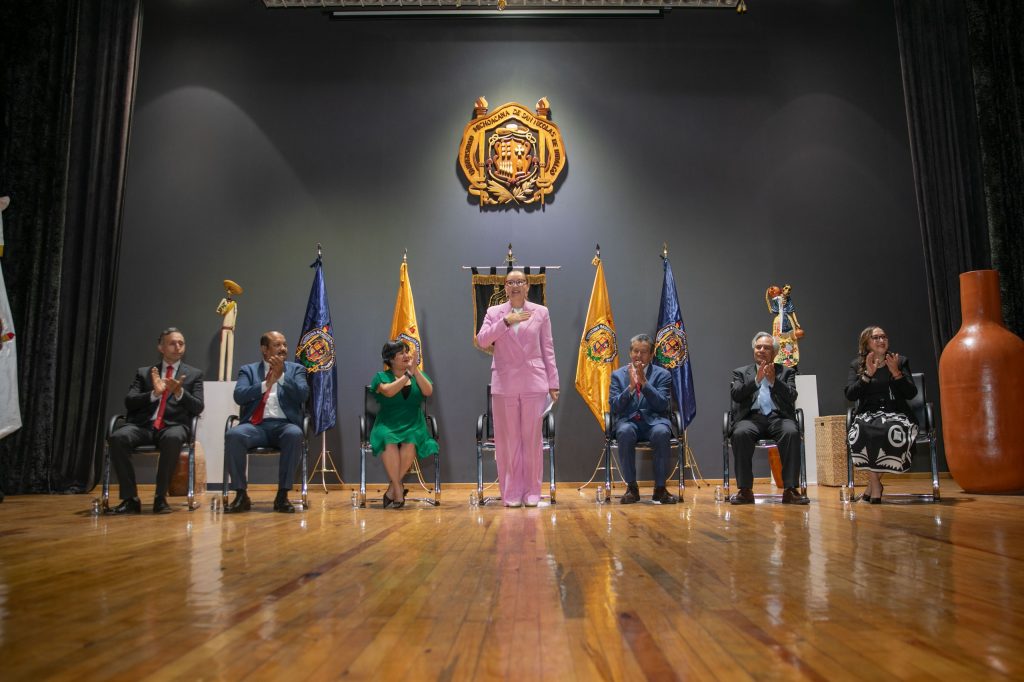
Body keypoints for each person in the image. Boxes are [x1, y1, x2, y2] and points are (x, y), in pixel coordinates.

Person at [477, 270, 559, 508]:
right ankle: (511, 492)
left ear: (527, 286)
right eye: (511, 282)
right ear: (505, 286)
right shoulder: (494, 312)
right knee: (508, 440)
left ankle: (533, 491)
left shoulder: (541, 312)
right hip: (504, 384)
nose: (515, 286)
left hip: (534, 381)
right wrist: (506, 322)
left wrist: (553, 382)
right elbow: (482, 340)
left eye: (520, 281)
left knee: (532, 440)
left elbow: (548, 348)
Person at [108, 327, 205, 514]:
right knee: (117, 438)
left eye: (181, 343)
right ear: (161, 347)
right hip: (143, 426)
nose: (178, 347)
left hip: (174, 426)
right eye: (172, 343)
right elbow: (130, 402)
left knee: (173, 438)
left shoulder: (194, 374)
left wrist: (179, 392)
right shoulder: (144, 373)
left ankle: (160, 498)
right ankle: (130, 499)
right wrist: (154, 394)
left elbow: (198, 407)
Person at [224, 331, 309, 513]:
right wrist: (266, 385)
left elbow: (303, 394)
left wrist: (282, 377)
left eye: (285, 344)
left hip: (284, 425)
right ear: (264, 349)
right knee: (234, 435)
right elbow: (239, 395)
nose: (283, 348)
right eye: (277, 345)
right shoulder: (248, 370)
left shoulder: (296, 370)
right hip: (255, 426)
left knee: (295, 434)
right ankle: (241, 495)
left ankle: (282, 496)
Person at [728, 331, 808, 505]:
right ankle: (745, 490)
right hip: (751, 418)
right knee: (740, 433)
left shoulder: (787, 372)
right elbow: (736, 395)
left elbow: (792, 396)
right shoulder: (741, 372)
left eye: (766, 348)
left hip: (778, 418)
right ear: (754, 350)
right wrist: (756, 380)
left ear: (775, 352)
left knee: (791, 432)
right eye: (758, 347)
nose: (761, 350)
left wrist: (774, 382)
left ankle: (790, 490)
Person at [844, 326, 918, 503]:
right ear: (866, 343)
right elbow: (850, 395)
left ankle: (872, 486)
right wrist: (867, 375)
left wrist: (896, 373)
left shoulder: (899, 361)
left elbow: (911, 393)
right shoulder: (857, 365)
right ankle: (876, 485)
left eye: (884, 337)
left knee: (890, 431)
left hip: (896, 413)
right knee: (863, 430)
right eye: (876, 337)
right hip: (868, 414)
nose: (881, 340)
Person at [609, 334, 678, 504]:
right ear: (630, 352)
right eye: (635, 351)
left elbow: (662, 405)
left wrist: (645, 384)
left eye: (644, 352)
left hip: (654, 422)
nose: (638, 355)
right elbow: (615, 407)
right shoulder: (618, 375)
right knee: (624, 432)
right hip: (628, 422)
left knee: (662, 432)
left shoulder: (663, 375)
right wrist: (631, 388)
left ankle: (660, 489)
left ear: (651, 354)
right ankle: (632, 488)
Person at [369, 340, 438, 508]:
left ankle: (393, 488)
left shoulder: (417, 374)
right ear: (391, 359)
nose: (406, 355)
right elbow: (389, 391)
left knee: (411, 439)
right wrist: (407, 375)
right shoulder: (381, 377)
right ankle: (398, 490)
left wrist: (416, 371)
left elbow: (428, 391)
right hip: (388, 422)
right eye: (401, 353)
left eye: (407, 352)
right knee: (387, 439)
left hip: (413, 421)